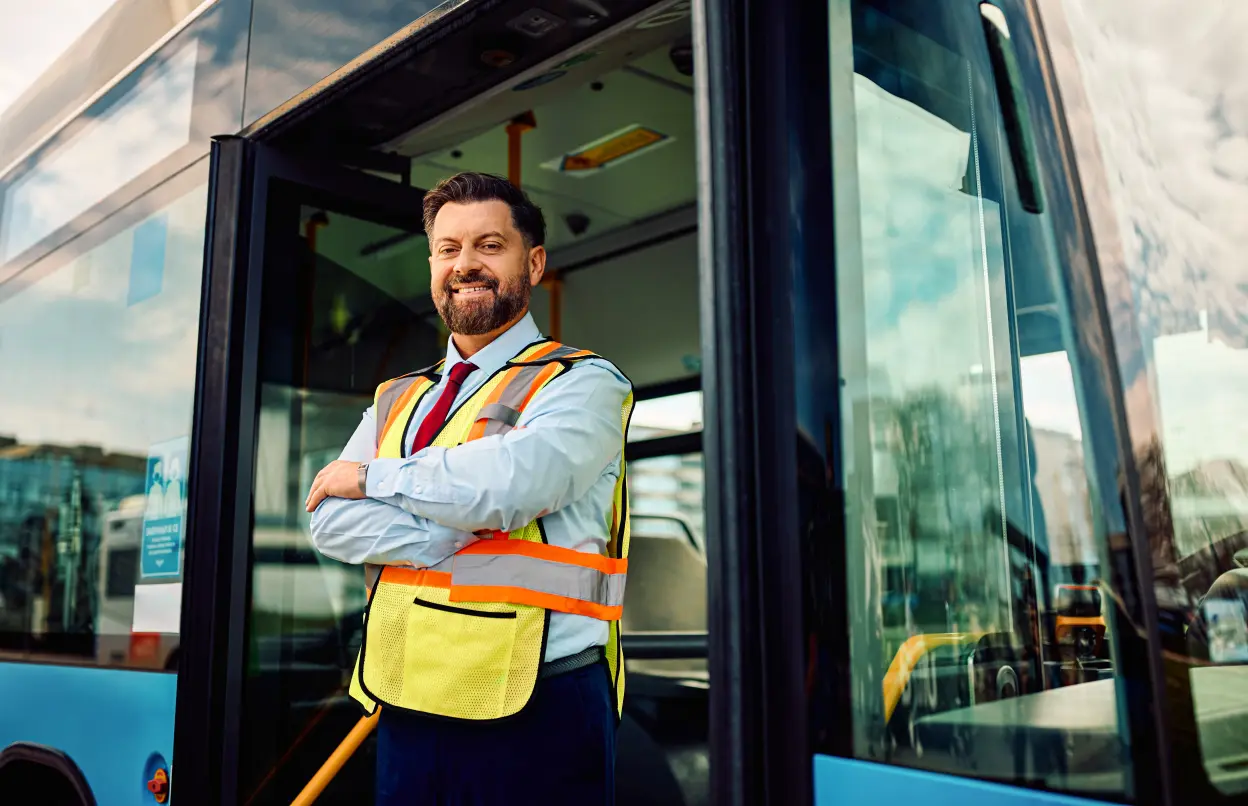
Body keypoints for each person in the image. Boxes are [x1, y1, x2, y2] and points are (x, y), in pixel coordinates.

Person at [305, 172, 632, 806]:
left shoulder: (584, 382)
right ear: (432, 264)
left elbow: (510, 486)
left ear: (532, 262)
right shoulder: (396, 396)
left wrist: (376, 478)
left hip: (541, 703)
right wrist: (455, 527)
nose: (466, 265)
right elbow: (329, 522)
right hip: (406, 695)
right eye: (449, 249)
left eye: (489, 245)